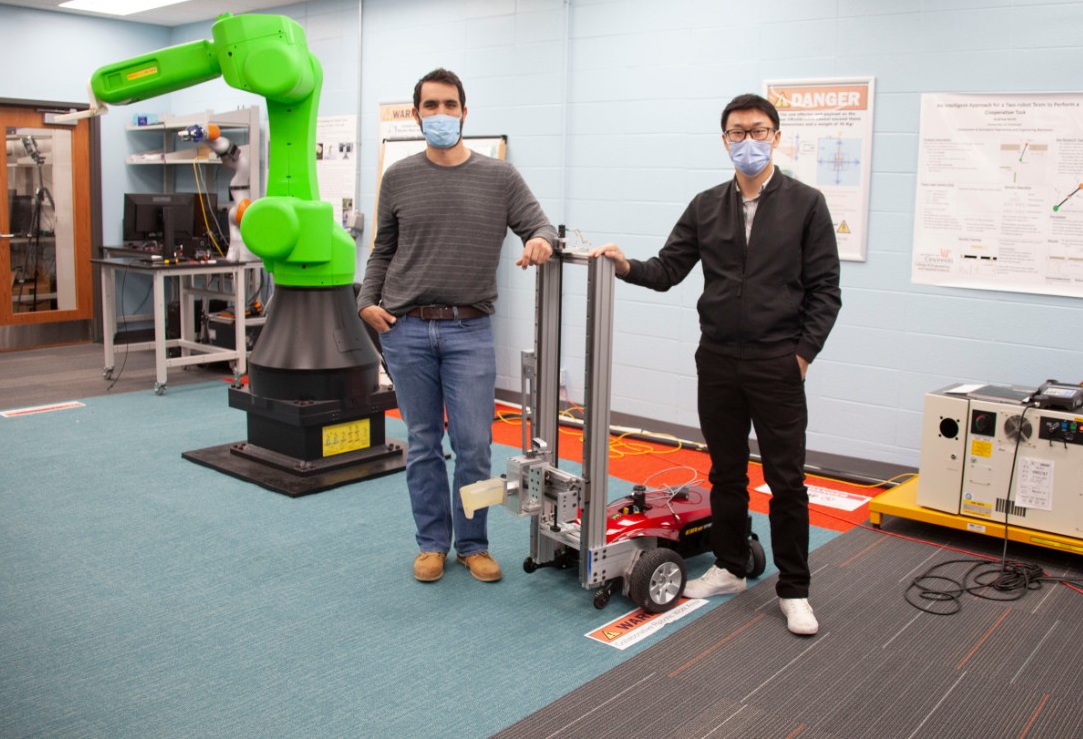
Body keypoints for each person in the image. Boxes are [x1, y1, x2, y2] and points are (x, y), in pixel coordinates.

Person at [589, 93, 841, 635]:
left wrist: (801, 356)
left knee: (786, 480)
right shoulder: (706, 205)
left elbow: (826, 291)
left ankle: (794, 589)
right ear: (723, 139)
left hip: (778, 364)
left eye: (758, 131)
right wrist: (625, 265)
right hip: (719, 361)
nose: (747, 142)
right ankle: (728, 567)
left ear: (776, 135)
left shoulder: (807, 204)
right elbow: (668, 268)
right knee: (725, 473)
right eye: (736, 133)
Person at [358, 68, 557, 584]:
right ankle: (431, 544)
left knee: (474, 445)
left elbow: (539, 225)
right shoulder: (398, 176)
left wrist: (539, 242)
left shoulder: (500, 177)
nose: (441, 114)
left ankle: (473, 544)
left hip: (469, 331)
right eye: (431, 105)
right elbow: (383, 250)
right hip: (406, 329)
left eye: (450, 105)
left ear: (465, 112)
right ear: (417, 112)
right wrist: (366, 301)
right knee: (423, 444)